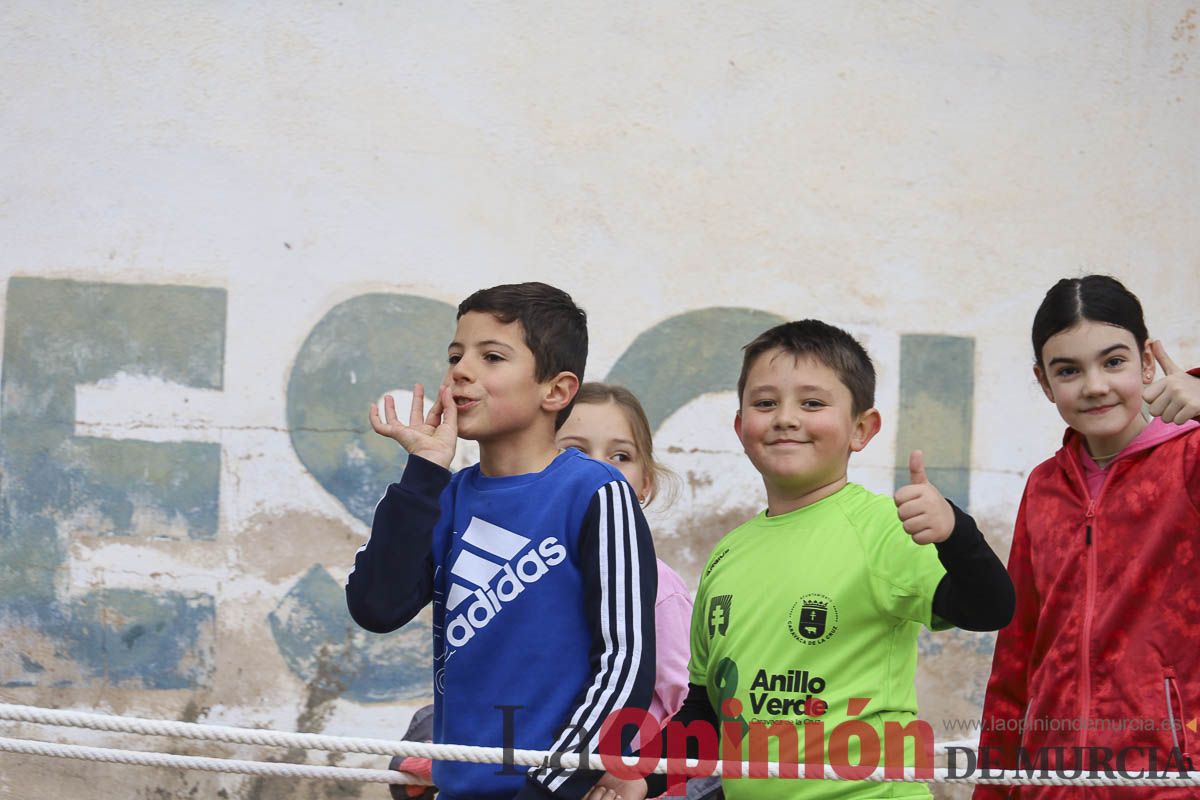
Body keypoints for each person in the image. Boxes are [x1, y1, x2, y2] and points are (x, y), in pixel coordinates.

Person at [646, 319, 1014, 800]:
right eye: (764, 403)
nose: (786, 418)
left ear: (861, 429)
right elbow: (707, 711)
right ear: (741, 428)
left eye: (813, 403)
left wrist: (956, 532)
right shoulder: (726, 556)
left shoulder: (885, 528)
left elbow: (991, 609)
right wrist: (635, 774)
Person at [346, 282, 658, 800]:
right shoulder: (442, 497)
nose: (461, 371)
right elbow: (375, 606)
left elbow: (625, 663)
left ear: (555, 391)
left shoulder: (595, 494)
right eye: (455, 355)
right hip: (460, 787)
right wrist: (423, 472)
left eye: (491, 357)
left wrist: (550, 787)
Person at [973, 275, 1200, 799]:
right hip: (1049, 784)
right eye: (1068, 370)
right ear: (1045, 382)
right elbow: (1016, 652)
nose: (1094, 385)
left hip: (1170, 783)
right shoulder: (1043, 487)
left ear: (1147, 362)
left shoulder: (1190, 460)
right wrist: (993, 789)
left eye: (1113, 361)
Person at [555, 383, 693, 731]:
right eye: (575, 452)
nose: (599, 471)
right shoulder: (524, 575)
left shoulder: (659, 588)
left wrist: (635, 773)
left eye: (620, 457)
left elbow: (688, 708)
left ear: (645, 483)